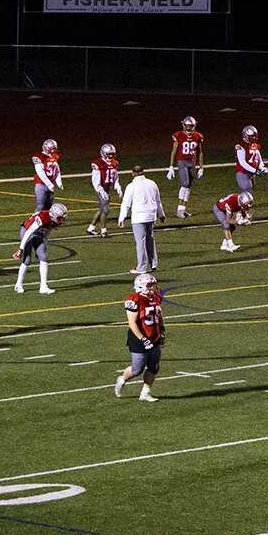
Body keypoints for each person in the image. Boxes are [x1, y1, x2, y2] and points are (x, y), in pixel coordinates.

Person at [113, 272, 164, 401]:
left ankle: (145, 393)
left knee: (154, 367)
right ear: (141, 286)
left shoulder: (156, 298)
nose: (153, 287)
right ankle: (122, 379)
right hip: (139, 338)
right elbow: (132, 323)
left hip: (154, 336)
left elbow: (159, 314)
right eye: (150, 285)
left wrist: (162, 330)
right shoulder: (134, 300)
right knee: (137, 370)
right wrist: (143, 339)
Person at [118, 164, 163, 273]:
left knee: (140, 242)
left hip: (139, 217)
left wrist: (121, 218)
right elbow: (158, 200)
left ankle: (141, 267)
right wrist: (161, 214)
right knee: (150, 240)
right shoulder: (152, 183)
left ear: (133, 174)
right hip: (151, 216)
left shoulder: (131, 186)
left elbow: (126, 203)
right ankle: (153, 263)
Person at [14, 203, 65, 295]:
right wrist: (21, 248)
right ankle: (18, 284)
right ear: (54, 215)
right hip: (27, 231)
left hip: (39, 234)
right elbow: (29, 231)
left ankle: (43, 287)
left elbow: (46, 233)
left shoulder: (52, 221)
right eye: (60, 218)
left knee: (43, 257)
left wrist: (43, 246)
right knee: (27, 260)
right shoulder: (43, 217)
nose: (62, 220)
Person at [167, 115, 205, 220]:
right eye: (187, 126)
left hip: (192, 162)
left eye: (191, 126)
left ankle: (183, 209)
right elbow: (174, 152)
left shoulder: (198, 136)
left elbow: (200, 152)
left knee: (189, 185)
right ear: (183, 125)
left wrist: (201, 167)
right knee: (184, 183)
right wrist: (171, 166)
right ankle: (179, 209)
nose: (189, 129)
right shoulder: (178, 135)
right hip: (182, 161)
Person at [87, 144, 122, 236]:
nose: (111, 156)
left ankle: (91, 227)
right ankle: (103, 230)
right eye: (109, 154)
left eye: (112, 154)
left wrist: (118, 187)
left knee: (102, 208)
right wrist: (101, 190)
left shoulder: (114, 163)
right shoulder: (98, 163)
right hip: (100, 187)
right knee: (105, 210)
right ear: (103, 154)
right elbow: (95, 181)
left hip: (107, 188)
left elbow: (115, 178)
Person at [234, 125, 268, 202]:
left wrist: (262, 167)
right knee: (247, 191)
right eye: (252, 136)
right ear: (246, 136)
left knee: (248, 192)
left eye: (255, 136)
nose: (254, 138)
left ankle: (242, 210)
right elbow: (243, 163)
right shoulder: (241, 146)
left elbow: (258, 159)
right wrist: (255, 170)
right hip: (243, 172)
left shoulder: (255, 145)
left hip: (251, 174)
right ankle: (240, 210)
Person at [213, 188, 251, 254]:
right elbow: (228, 220)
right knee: (226, 226)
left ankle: (224, 245)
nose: (248, 205)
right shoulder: (231, 203)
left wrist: (246, 219)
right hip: (219, 209)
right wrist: (238, 222)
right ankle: (231, 245)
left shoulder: (241, 201)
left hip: (226, 209)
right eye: (247, 203)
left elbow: (243, 211)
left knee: (232, 227)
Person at [32, 139, 63, 214]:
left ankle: (46, 222)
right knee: (40, 206)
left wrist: (59, 182)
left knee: (49, 206)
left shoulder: (55, 156)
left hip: (50, 185)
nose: (53, 151)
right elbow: (40, 172)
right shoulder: (39, 156)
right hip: (41, 184)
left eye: (54, 149)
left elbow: (57, 170)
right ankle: (34, 222)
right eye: (51, 149)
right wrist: (49, 184)